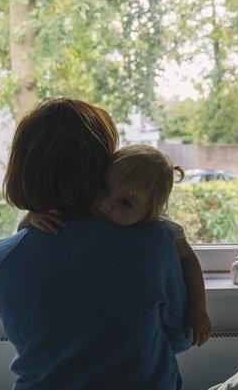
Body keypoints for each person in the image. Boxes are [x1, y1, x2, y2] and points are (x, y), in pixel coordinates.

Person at [0, 98, 194, 390]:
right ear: (102, 167)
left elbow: (40, 342)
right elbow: (181, 336)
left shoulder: (2, 258)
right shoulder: (154, 242)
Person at [21, 144, 213, 347]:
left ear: (149, 212)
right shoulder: (79, 211)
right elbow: (22, 234)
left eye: (125, 202)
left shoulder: (164, 231)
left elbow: (189, 261)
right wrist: (33, 217)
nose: (106, 203)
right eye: (103, 187)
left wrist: (198, 309)